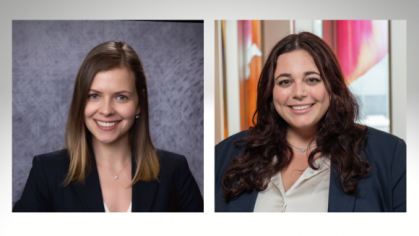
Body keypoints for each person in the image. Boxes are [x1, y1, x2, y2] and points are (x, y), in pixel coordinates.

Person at [215, 32, 406, 212]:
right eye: (285, 82)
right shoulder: (225, 154)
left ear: (332, 86)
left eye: (312, 80)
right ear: (270, 92)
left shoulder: (389, 154)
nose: (299, 93)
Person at [13, 41, 203, 212]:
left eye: (121, 97)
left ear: (138, 102)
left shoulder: (175, 171)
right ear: (81, 101)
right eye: (94, 95)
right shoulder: (47, 171)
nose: (106, 110)